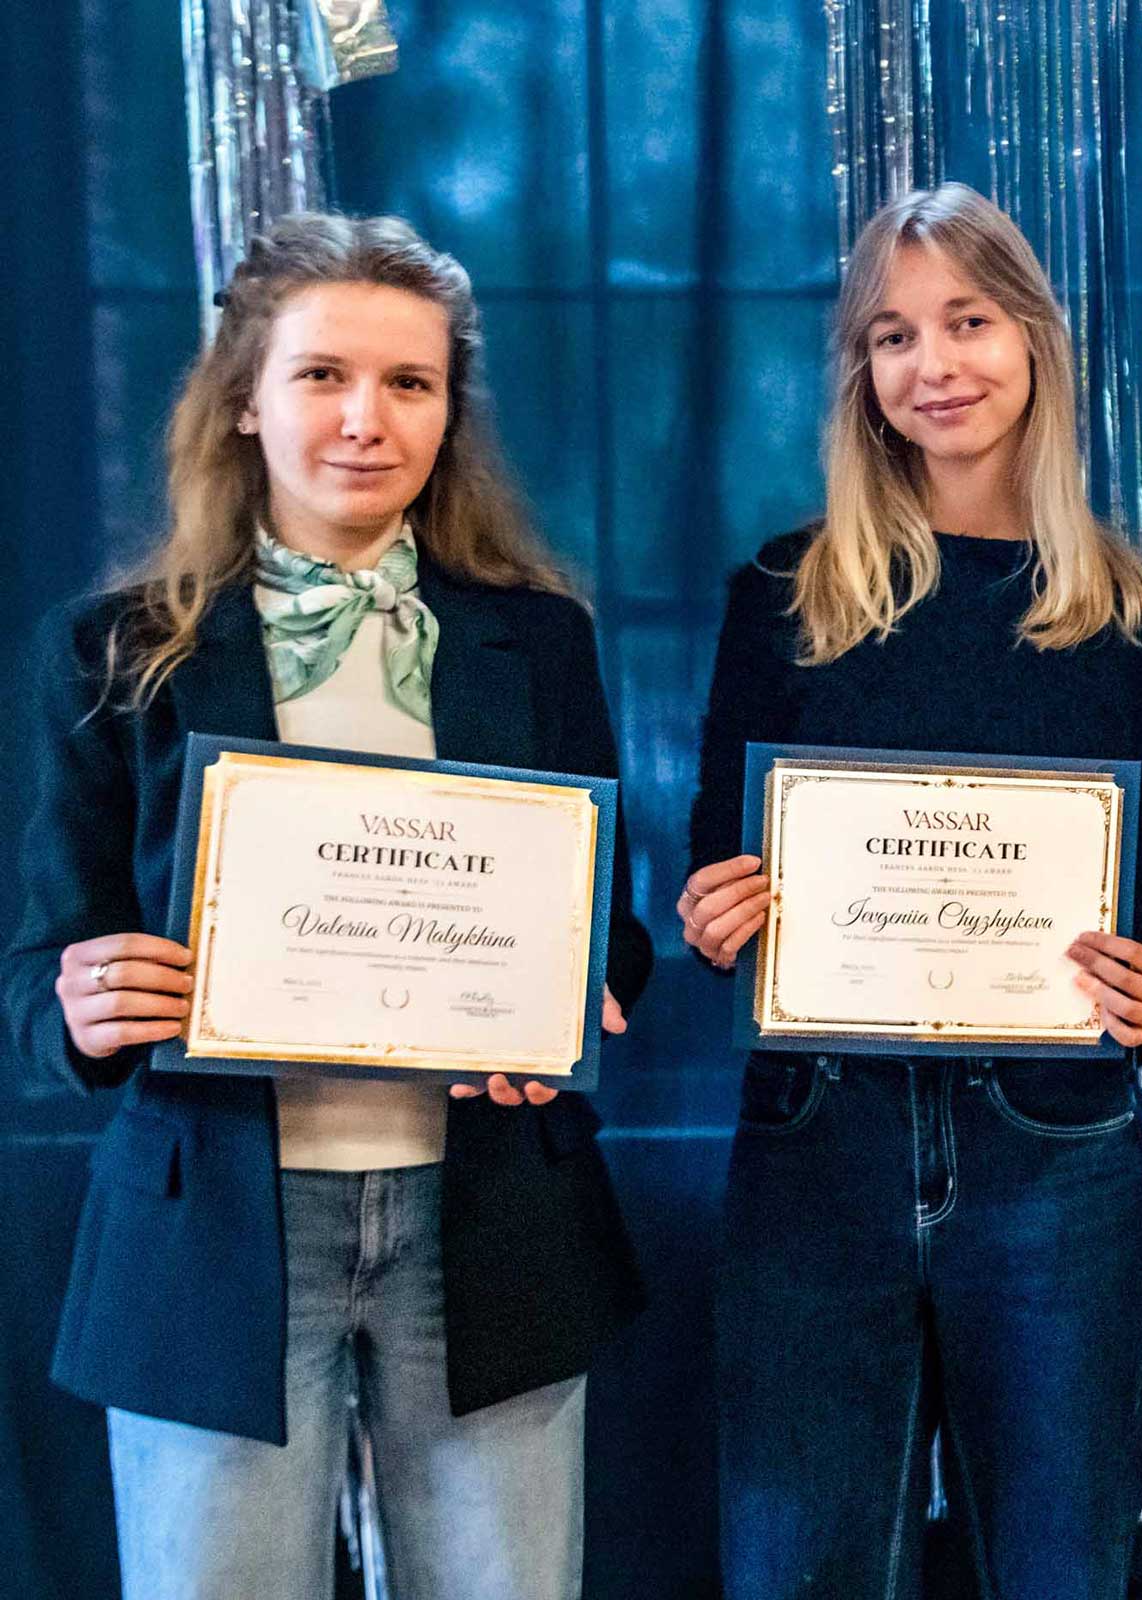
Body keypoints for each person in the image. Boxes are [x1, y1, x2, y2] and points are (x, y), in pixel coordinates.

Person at [4, 212, 652, 1599]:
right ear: (244, 397)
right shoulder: (112, 651)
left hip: (488, 1222)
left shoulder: (539, 639)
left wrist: (583, 995)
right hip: (213, 1234)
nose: (368, 419)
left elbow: (615, 935)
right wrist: (79, 1001)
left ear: (448, 414)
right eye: (322, 376)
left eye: (409, 384)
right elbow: (36, 978)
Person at [677, 181, 1142, 1600]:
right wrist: (714, 914)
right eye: (893, 337)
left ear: (1034, 339)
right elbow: (709, 865)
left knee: (1063, 1570)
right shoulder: (782, 594)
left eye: (968, 322)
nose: (936, 366)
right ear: (861, 373)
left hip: (1056, 1148)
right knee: (799, 1570)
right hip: (816, 1138)